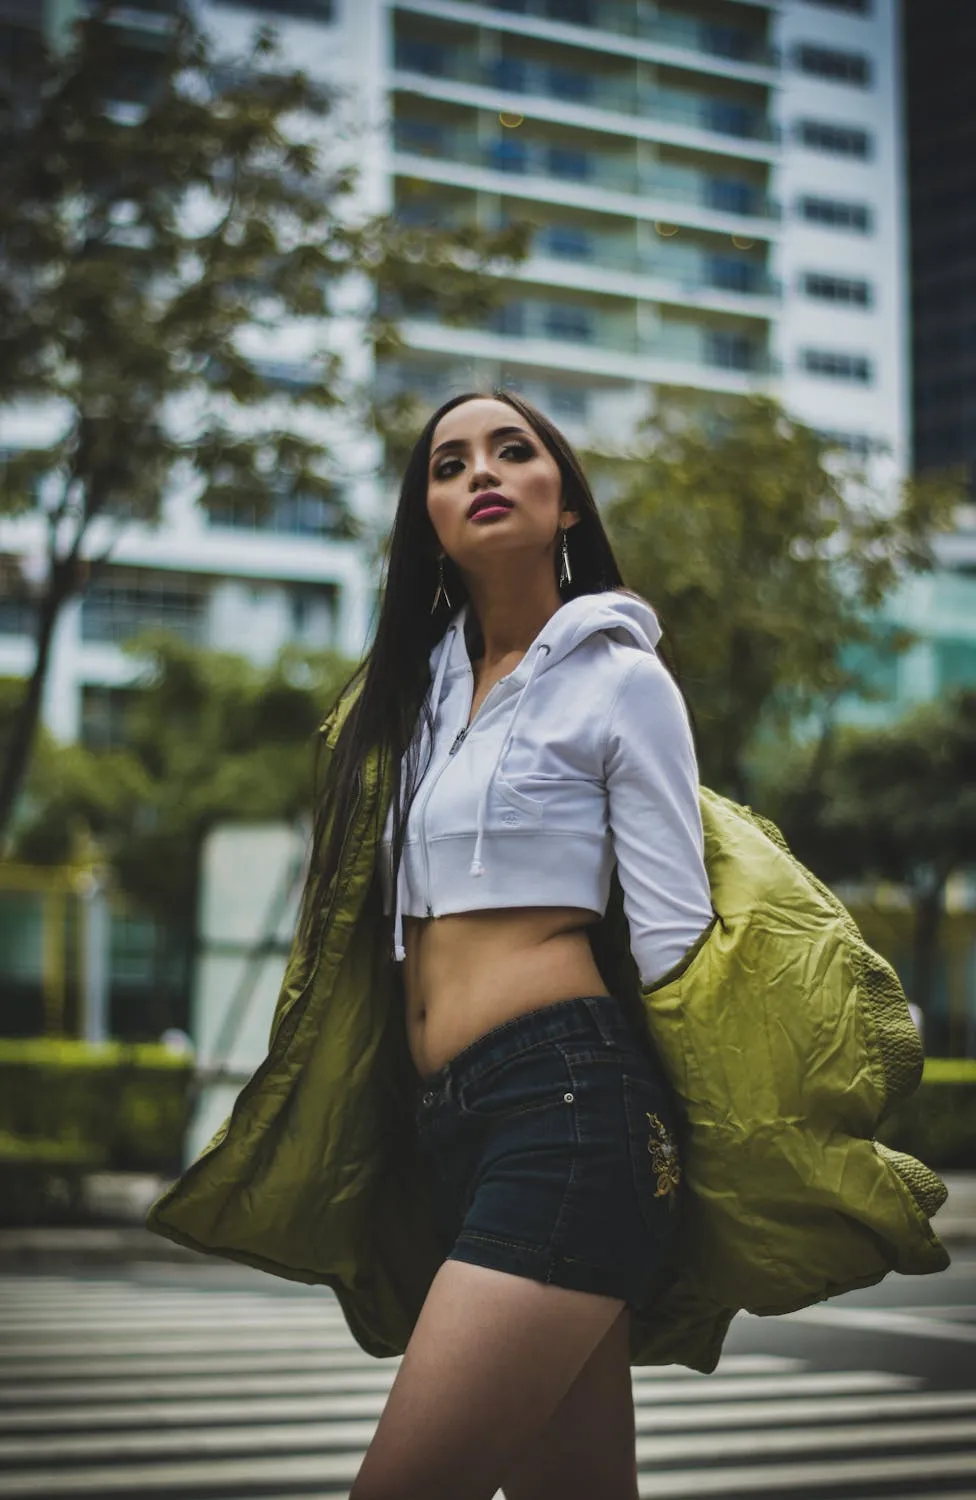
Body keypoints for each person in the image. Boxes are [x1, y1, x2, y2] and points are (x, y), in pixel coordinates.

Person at [339, 389, 714, 1500]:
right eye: (449, 465)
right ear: (432, 521)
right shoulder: (411, 703)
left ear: (563, 503)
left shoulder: (619, 677)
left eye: (512, 451)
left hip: (568, 1113)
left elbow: (674, 933)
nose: (481, 472)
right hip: (450, 1126)